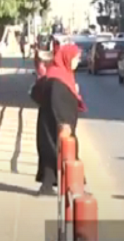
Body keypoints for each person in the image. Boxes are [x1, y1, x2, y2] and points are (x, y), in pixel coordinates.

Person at [33, 43, 86, 195]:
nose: (78, 61)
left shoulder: (61, 74)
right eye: (76, 58)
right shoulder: (57, 79)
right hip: (57, 125)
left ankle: (49, 186)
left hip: (53, 125)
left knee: (54, 155)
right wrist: (64, 124)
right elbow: (58, 103)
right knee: (65, 154)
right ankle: (73, 189)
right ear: (67, 58)